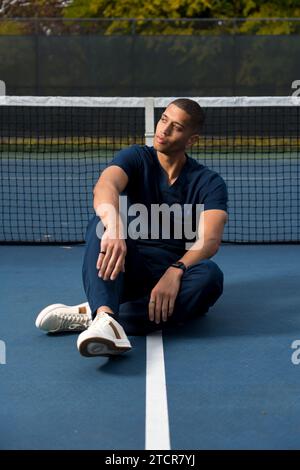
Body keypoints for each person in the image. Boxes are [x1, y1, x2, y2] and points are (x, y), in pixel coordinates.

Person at [35, 98, 228, 357]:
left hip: (171, 282)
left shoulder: (208, 182)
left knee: (210, 278)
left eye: (177, 127)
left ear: (191, 140)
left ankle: (101, 313)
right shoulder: (136, 157)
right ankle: (105, 316)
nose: (164, 130)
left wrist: (176, 270)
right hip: (127, 268)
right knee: (100, 226)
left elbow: (210, 240)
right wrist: (114, 229)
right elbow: (105, 187)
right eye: (164, 120)